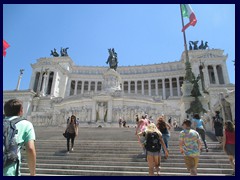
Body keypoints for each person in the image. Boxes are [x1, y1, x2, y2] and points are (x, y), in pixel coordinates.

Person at [3, 99, 36, 176]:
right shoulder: (26, 124)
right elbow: (30, 149)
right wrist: (32, 173)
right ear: (21, 111)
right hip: (9, 171)